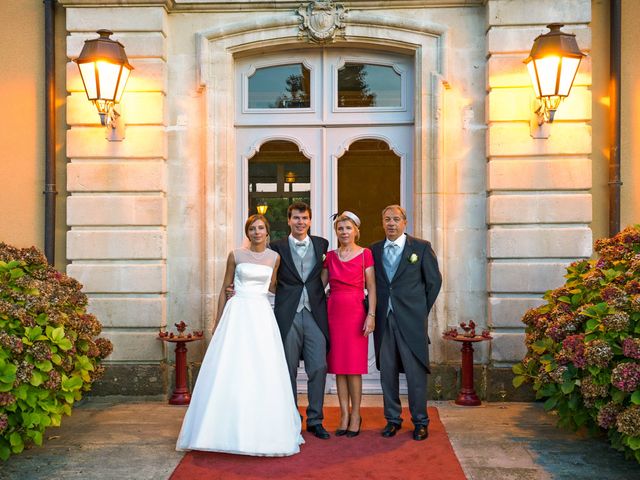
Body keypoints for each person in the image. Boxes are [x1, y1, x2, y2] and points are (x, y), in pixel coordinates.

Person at [176, 215, 303, 456]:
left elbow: (273, 287)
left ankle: (262, 428)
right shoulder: (235, 255)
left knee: (261, 367)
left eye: (261, 228)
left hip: (261, 315)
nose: (256, 232)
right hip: (237, 314)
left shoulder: (275, 258)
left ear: (267, 232)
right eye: (252, 229)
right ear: (248, 233)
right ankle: (219, 428)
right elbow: (224, 288)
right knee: (232, 366)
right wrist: (218, 319)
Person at [370, 205, 442, 441]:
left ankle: (420, 421)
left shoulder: (420, 248)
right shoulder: (374, 250)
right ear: (382, 223)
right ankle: (392, 419)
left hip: (411, 321)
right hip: (384, 319)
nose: (391, 223)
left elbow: (434, 283)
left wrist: (419, 310)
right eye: (387, 219)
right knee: (387, 372)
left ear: (405, 222)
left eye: (396, 219)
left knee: (415, 373)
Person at [269, 202, 331, 439]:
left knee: (319, 366)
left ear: (310, 220)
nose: (300, 222)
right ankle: (290, 417)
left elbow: (324, 271)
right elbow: (270, 279)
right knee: (288, 369)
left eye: (304, 218)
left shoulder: (321, 244)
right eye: (296, 218)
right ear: (288, 220)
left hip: (314, 313)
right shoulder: (276, 247)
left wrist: (317, 292)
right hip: (288, 314)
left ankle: (315, 420)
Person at [321, 211, 376, 437]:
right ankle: (343, 414)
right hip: (333, 312)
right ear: (336, 232)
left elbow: (372, 287)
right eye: (340, 228)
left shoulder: (365, 254)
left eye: (348, 228)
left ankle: (356, 415)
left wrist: (371, 314)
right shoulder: (330, 257)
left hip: (355, 312)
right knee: (338, 368)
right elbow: (318, 286)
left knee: (353, 369)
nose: (344, 232)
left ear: (356, 231)